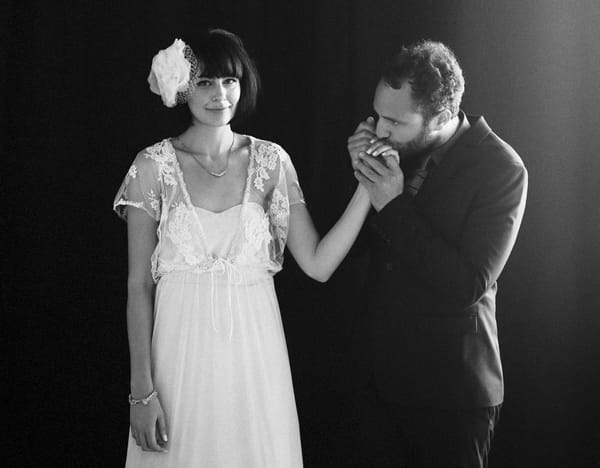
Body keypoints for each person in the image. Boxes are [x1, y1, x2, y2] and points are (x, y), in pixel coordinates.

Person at [113, 29, 378, 467]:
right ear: (182, 87)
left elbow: (317, 263)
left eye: (229, 80)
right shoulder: (152, 166)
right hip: (180, 358)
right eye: (205, 82)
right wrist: (141, 390)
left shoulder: (272, 162)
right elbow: (138, 284)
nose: (220, 94)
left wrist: (368, 187)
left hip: (255, 357)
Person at [348, 40, 527, 468]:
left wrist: (392, 202)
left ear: (441, 116)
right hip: (378, 384)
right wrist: (359, 179)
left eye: (396, 120)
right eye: (377, 114)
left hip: (452, 395)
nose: (380, 129)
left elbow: (466, 284)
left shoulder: (503, 170)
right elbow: (355, 253)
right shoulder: (388, 149)